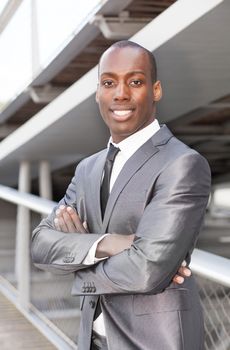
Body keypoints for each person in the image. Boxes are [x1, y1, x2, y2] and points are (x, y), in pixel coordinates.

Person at [31, 40, 211, 350]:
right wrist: (109, 243)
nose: (121, 93)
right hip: (92, 341)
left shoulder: (182, 163)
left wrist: (78, 263)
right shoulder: (88, 169)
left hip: (154, 342)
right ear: (97, 92)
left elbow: (147, 271)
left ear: (155, 90)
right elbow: (40, 245)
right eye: (109, 82)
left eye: (135, 81)